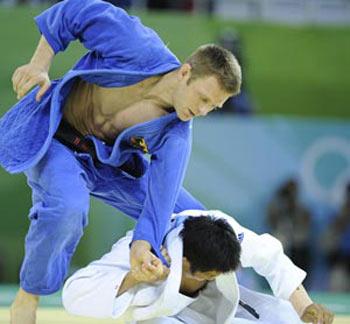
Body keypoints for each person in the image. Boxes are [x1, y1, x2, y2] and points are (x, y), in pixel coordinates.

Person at [0, 0, 241, 323]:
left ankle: (232, 296)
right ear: (185, 72)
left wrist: (143, 244)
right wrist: (40, 64)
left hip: (109, 168)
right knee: (68, 207)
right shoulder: (136, 45)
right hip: (60, 141)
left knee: (199, 218)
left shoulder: (177, 136)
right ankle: (27, 297)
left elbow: (160, 200)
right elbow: (73, 12)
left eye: (214, 107)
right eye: (203, 99)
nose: (203, 111)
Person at [62, 209, 334, 324]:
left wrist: (305, 306)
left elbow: (271, 258)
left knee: (288, 318)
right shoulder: (143, 250)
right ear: (184, 262)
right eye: (208, 275)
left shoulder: (226, 235)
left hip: (221, 307)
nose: (211, 278)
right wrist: (133, 278)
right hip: (163, 317)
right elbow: (73, 294)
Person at [267, 178, 312, 282]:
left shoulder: (302, 211)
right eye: (288, 193)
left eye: (292, 194)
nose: (290, 197)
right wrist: (281, 209)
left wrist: (293, 208)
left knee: (300, 240)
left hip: (298, 250)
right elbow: (271, 222)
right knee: (279, 239)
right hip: (282, 246)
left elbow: (305, 228)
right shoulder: (276, 208)